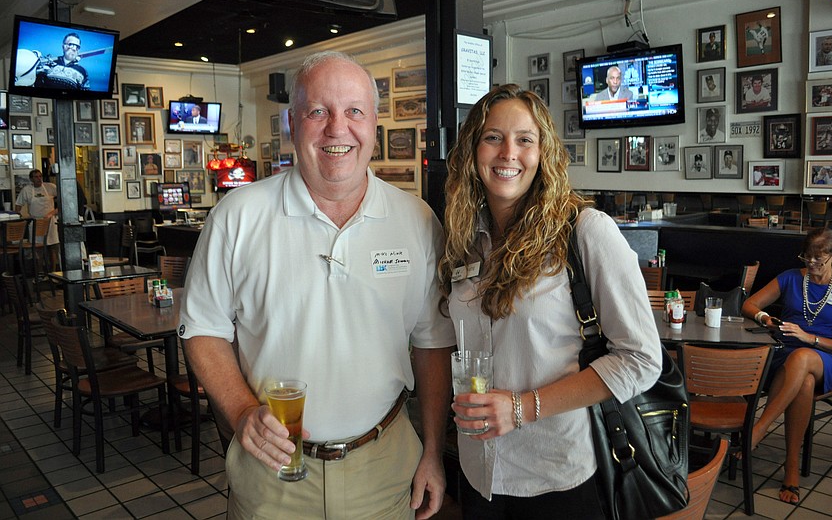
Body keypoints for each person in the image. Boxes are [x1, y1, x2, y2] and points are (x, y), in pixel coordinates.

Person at [179, 51, 454, 519]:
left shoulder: (417, 220)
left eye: (354, 112)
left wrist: (433, 449)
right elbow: (203, 331)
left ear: (373, 123)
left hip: (385, 470)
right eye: (318, 111)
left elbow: (432, 345)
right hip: (272, 475)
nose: (337, 129)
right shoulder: (237, 217)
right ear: (292, 122)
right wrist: (244, 412)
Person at [437, 84, 661, 517]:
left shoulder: (584, 231)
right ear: (472, 150)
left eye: (525, 139)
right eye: (492, 137)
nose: (508, 153)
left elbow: (640, 359)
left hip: (555, 475)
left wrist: (521, 408)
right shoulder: (463, 239)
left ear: (544, 153)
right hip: (478, 470)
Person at [742, 229, 832, 504]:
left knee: (803, 357)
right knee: (804, 382)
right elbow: (750, 304)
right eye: (807, 257)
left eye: (818, 259)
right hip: (784, 353)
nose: (811, 264)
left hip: (826, 356)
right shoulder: (790, 277)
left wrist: (809, 338)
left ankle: (759, 430)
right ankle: (791, 467)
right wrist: (766, 319)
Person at [15, 169, 59, 271]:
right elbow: (18, 206)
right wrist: (21, 217)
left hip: (50, 221)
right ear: (31, 179)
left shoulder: (50, 187)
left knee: (52, 248)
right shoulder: (27, 190)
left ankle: (53, 273)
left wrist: (53, 212)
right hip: (35, 222)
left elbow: (64, 199)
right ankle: (39, 273)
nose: (39, 179)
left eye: (40, 176)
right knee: (37, 249)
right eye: (36, 177)